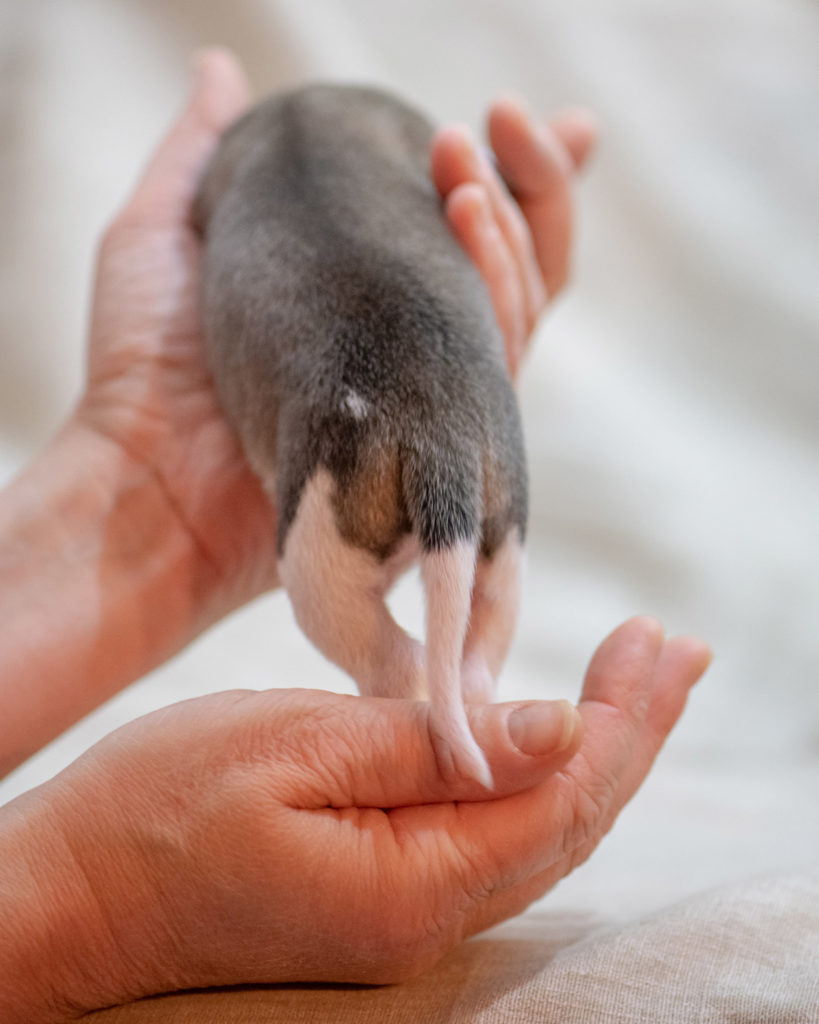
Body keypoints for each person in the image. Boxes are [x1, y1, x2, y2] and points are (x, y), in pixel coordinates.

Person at [0, 49, 710, 1022]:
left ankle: (418, 681)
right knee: (474, 606)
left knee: (409, 639)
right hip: (468, 416)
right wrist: (88, 900)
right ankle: (461, 686)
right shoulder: (399, 153)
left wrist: (130, 494)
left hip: (336, 442)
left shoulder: (240, 177)